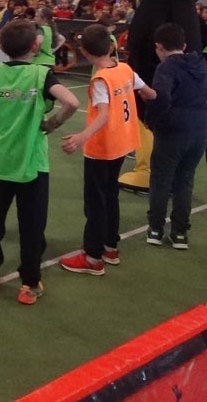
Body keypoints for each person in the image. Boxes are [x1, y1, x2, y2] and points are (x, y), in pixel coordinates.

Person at [0, 20, 80, 305]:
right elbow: (72, 102)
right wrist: (53, 123)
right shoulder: (41, 75)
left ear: (2, 47)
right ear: (35, 45)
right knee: (31, 225)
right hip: (32, 162)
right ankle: (29, 284)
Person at [60, 24, 156, 274]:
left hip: (102, 147)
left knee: (95, 202)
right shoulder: (125, 69)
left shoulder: (101, 79)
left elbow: (103, 115)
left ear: (84, 51)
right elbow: (149, 93)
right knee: (110, 195)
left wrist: (82, 136)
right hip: (123, 143)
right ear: (111, 46)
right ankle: (110, 247)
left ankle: (93, 257)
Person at [143, 23, 207, 249]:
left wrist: (151, 121)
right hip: (199, 130)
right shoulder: (201, 65)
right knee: (185, 180)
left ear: (158, 47)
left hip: (172, 131)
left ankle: (155, 228)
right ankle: (180, 232)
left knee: (161, 180)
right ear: (184, 45)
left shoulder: (167, 68)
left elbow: (162, 98)